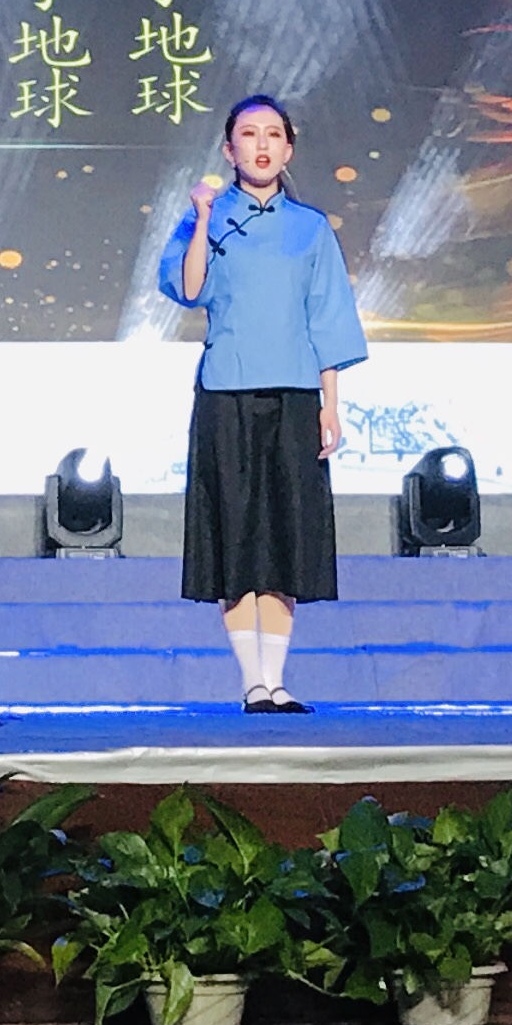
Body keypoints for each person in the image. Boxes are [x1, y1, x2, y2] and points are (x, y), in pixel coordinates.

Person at [164, 94, 362, 713]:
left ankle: (276, 680)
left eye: (273, 134)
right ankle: (251, 681)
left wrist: (331, 405)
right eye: (249, 134)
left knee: (285, 538)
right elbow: (189, 288)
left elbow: (328, 317)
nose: (262, 145)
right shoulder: (206, 217)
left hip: (295, 395)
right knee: (236, 538)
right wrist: (202, 218)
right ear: (230, 150)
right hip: (227, 392)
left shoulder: (310, 228)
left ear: (289, 149)